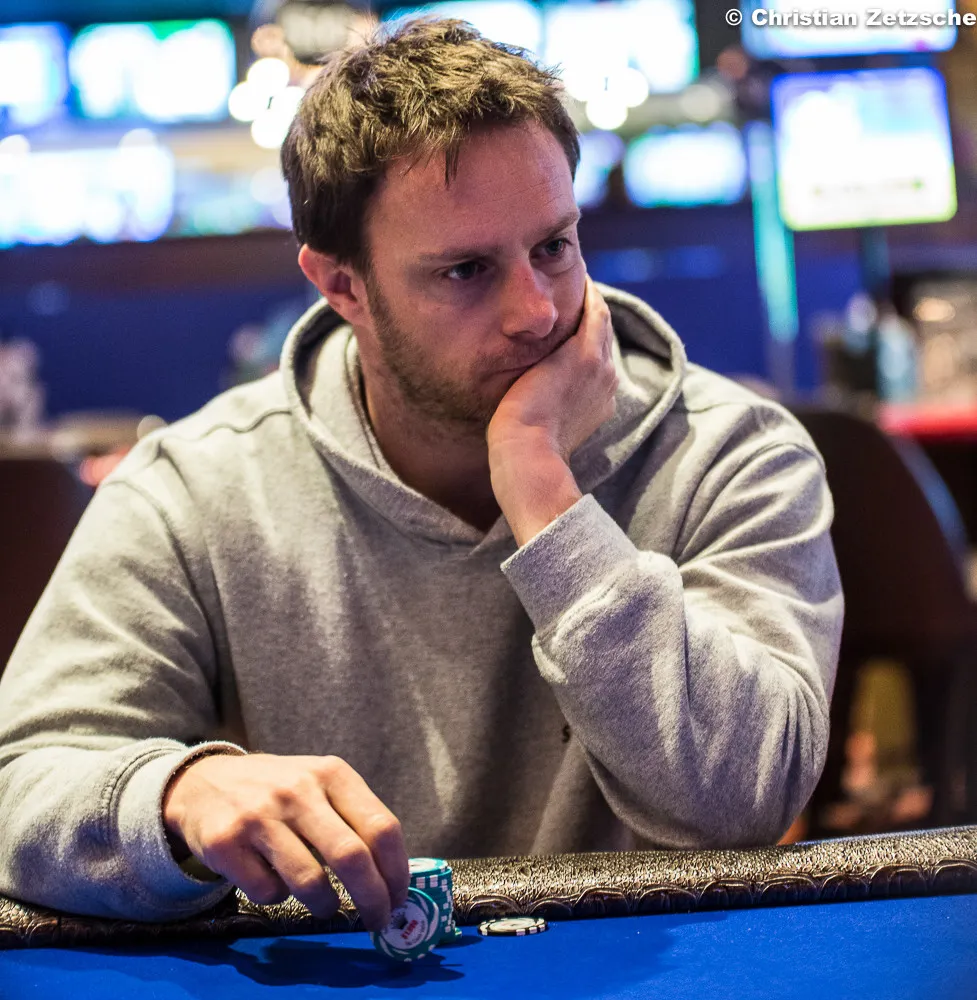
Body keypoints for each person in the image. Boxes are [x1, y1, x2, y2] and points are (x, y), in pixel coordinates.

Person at [0, 19, 843, 930]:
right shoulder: (194, 490)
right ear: (342, 286)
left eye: (553, 246)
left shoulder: (730, 451)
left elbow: (740, 801)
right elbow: (21, 787)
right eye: (466, 270)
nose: (535, 311)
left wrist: (542, 489)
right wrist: (179, 794)